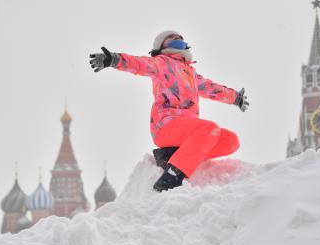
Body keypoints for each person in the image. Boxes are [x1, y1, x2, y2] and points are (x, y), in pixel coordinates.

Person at [89, 31, 249, 192]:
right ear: (161, 46)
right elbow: (140, 64)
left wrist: (235, 98)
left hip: (188, 129)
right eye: (171, 38)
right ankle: (172, 175)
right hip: (166, 125)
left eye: (180, 37)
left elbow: (211, 88)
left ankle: (172, 156)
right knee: (210, 128)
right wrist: (114, 59)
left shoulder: (191, 73)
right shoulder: (161, 62)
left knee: (230, 140)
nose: (177, 39)